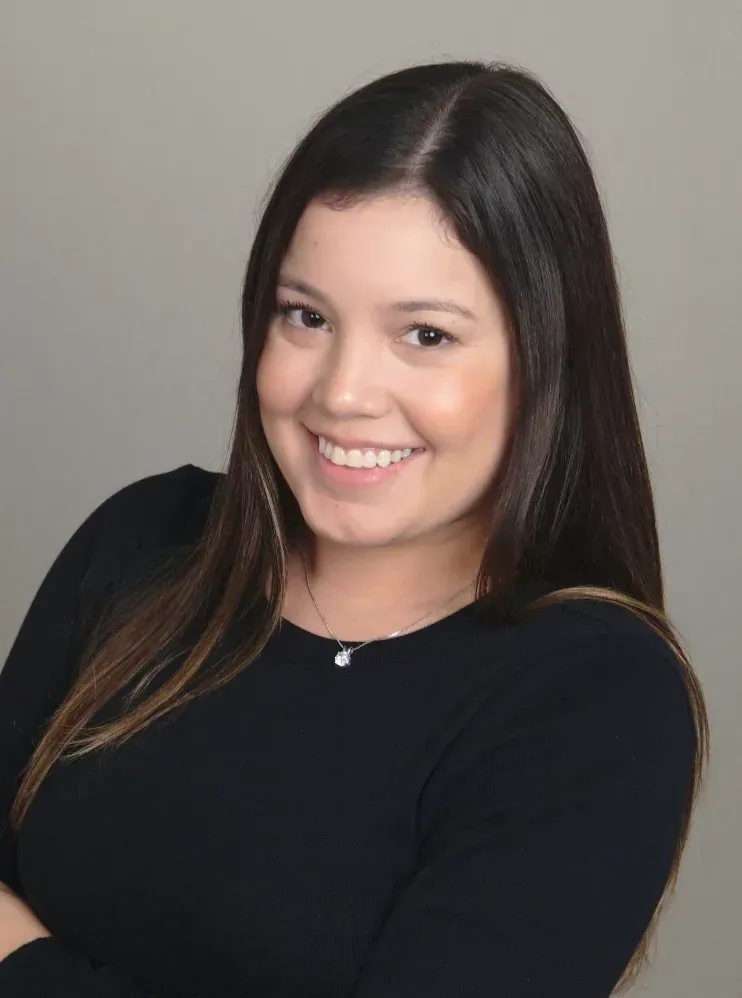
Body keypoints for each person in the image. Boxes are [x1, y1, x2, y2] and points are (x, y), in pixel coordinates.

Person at [0, 59, 709, 997]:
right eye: (306, 317)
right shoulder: (141, 542)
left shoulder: (596, 698)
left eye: (426, 335)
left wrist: (21, 959)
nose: (341, 394)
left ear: (547, 361)